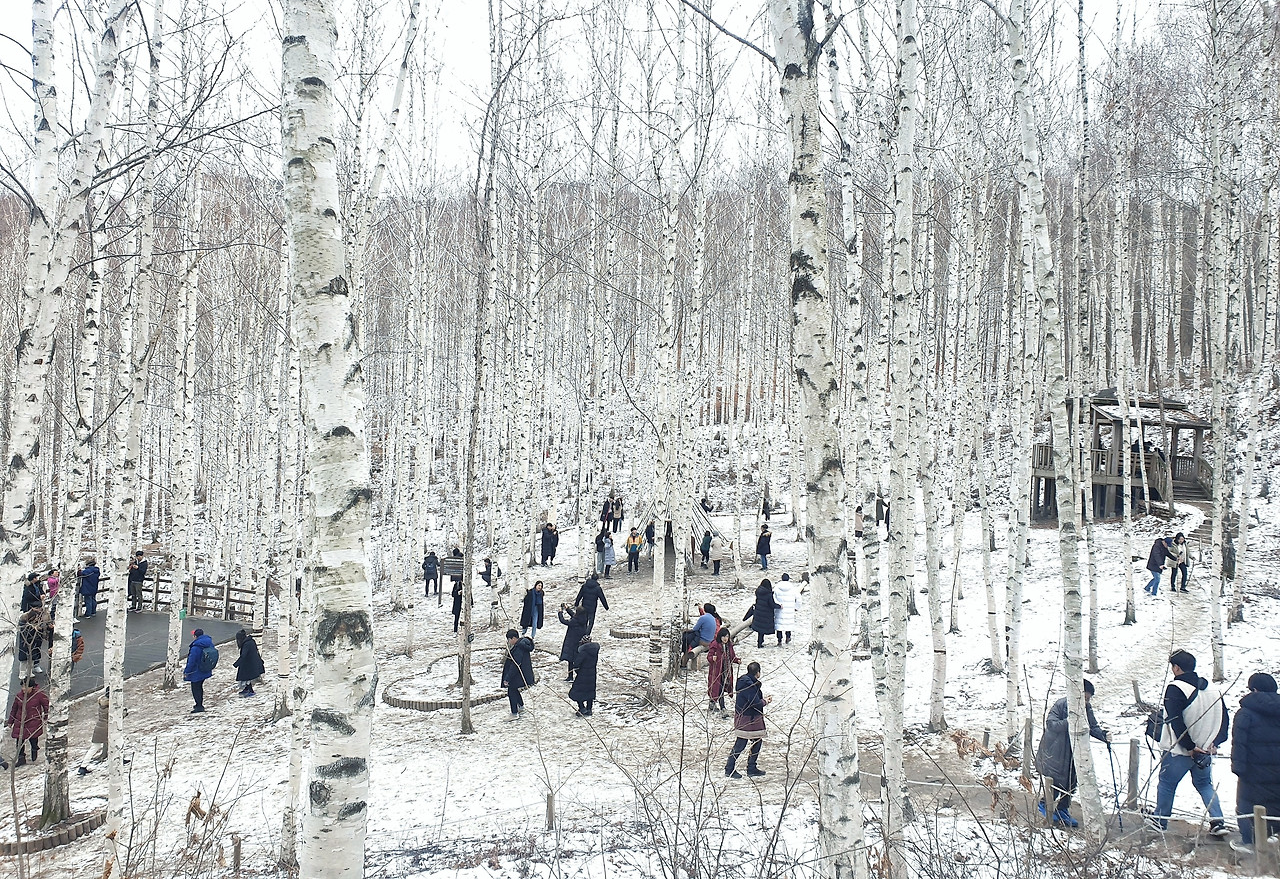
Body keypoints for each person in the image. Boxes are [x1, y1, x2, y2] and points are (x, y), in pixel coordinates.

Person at [1147, 650, 1230, 834]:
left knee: (1167, 783)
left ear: (1176, 668)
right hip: (1205, 750)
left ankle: (1160, 820)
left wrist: (1190, 746)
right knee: (1205, 785)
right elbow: (1224, 719)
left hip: (1180, 750)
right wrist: (1215, 742)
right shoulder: (1212, 690)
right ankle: (1218, 821)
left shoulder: (1176, 688)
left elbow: (1175, 720)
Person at [1034, 680, 1111, 827]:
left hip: (1074, 752)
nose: (1086, 701)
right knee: (1056, 781)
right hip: (1055, 751)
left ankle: (1062, 809)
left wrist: (1103, 735)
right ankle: (1045, 804)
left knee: (1072, 781)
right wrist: (1070, 721)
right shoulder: (1061, 705)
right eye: (1085, 698)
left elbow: (1092, 726)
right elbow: (1051, 724)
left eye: (1088, 699)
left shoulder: (1086, 708)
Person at [1230, 672, 1280, 852]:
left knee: (1247, 805)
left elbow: (1239, 743)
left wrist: (1238, 768)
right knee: (1276, 803)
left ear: (1254, 689)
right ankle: (1275, 837)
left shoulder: (1245, 713)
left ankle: (1249, 842)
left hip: (1253, 771)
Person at [725, 661, 770, 779]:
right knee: (741, 744)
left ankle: (751, 768)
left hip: (745, 717)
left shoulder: (745, 682)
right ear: (758, 672)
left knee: (756, 741)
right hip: (748, 718)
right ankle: (730, 768)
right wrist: (765, 701)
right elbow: (755, 703)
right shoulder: (749, 685)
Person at [5, 678, 49, 767]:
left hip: (33, 722)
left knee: (33, 740)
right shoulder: (19, 695)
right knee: (19, 743)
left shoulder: (39, 695)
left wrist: (45, 717)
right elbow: (14, 709)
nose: (23, 689)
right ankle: (21, 759)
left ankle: (34, 752)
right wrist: (10, 721)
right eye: (22, 686)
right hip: (20, 722)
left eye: (26, 687)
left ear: (31, 687)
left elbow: (46, 706)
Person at [501, 629, 535, 719]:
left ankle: (514, 713)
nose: (509, 642)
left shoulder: (519, 648)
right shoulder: (522, 645)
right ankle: (521, 706)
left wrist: (508, 678)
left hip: (519, 674)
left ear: (513, 638)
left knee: (511, 690)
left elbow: (515, 664)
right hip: (523, 673)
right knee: (514, 689)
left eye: (509, 639)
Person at [77, 689, 110, 775]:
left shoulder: (102, 704)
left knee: (94, 748)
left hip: (99, 728)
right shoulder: (110, 706)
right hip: (106, 729)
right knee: (117, 742)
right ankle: (120, 760)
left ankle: (82, 767)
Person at [706, 627, 739, 712]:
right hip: (716, 671)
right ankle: (722, 707)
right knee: (717, 688)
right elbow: (709, 656)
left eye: (727, 636)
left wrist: (737, 660)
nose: (725, 638)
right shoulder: (715, 644)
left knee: (721, 687)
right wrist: (712, 658)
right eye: (723, 636)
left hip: (726, 671)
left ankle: (713, 703)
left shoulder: (729, 645)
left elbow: (732, 656)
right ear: (720, 636)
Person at [183, 628, 216, 713]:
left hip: (196, 671)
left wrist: (186, 672)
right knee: (199, 687)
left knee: (195, 688)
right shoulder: (209, 643)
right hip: (205, 669)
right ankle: (199, 704)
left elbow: (191, 661)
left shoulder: (195, 647)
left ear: (195, 636)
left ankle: (199, 706)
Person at [744, 579, 781, 649]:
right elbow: (772, 604)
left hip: (758, 613)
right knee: (763, 628)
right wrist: (779, 606)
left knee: (760, 630)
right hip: (766, 614)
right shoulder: (769, 595)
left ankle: (759, 642)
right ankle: (764, 642)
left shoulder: (758, 592)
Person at [558, 604, 590, 681]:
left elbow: (563, 621)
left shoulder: (574, 621)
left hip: (572, 642)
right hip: (579, 642)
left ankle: (571, 676)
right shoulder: (584, 619)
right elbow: (574, 615)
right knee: (576, 659)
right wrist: (567, 609)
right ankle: (576, 676)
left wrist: (560, 612)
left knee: (571, 660)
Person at [569, 636, 599, 716]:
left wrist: (578, 672)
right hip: (592, 675)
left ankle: (582, 708)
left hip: (582, 675)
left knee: (577, 691)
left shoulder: (583, 652)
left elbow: (576, 664)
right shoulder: (594, 651)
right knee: (590, 692)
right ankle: (589, 709)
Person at [233, 629, 265, 697]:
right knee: (246, 677)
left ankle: (250, 691)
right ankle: (247, 688)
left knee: (245, 676)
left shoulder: (246, 644)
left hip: (250, 664)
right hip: (253, 662)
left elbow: (243, 656)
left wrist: (236, 664)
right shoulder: (251, 641)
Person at [773, 574, 801, 645]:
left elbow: (773, 598)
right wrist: (796, 607)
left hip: (779, 609)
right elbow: (799, 599)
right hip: (789, 609)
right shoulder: (793, 588)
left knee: (779, 625)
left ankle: (779, 640)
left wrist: (777, 605)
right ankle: (788, 637)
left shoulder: (776, 587)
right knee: (788, 624)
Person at [17, 610, 44, 677]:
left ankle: (29, 672)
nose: (37, 619)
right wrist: (34, 629)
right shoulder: (24, 624)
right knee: (24, 660)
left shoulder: (35, 624)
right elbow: (26, 635)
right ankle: (22, 673)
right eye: (36, 617)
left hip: (33, 645)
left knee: (31, 660)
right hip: (24, 645)